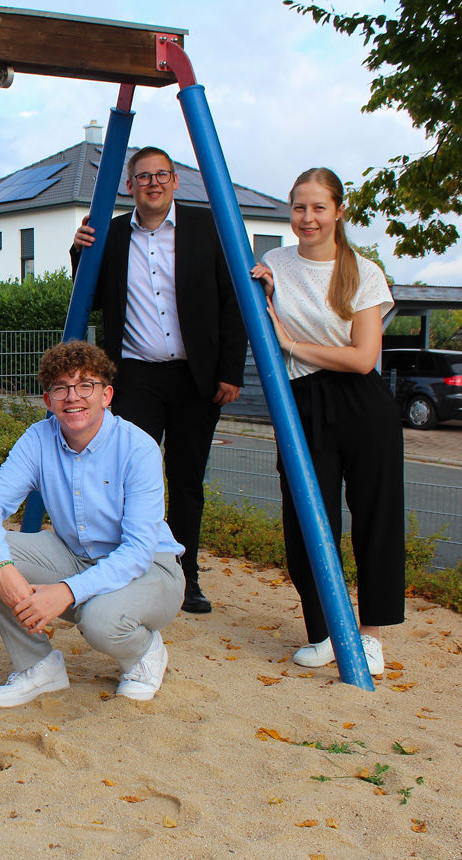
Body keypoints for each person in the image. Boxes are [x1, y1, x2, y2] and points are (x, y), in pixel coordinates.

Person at [71, 146, 246, 614]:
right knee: (130, 480)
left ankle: (186, 579)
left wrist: (230, 370)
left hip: (195, 377)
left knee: (187, 480)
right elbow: (87, 300)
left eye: (161, 175)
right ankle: (130, 571)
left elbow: (233, 303)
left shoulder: (207, 229)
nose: (152, 183)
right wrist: (79, 252)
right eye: (143, 176)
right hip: (136, 377)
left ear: (174, 181)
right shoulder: (109, 235)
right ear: (129, 185)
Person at [0, 340, 184, 705]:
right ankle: (39, 666)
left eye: (86, 385)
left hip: (151, 569)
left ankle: (144, 652)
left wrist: (66, 591)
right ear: (48, 401)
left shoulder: (138, 448)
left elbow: (137, 553)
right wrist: (2, 568)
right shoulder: (38, 439)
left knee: (100, 620)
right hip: (76, 554)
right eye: (60, 388)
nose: (73, 397)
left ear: (106, 394)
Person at [250, 167, 402, 675]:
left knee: (375, 515)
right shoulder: (274, 262)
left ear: (339, 211)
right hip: (302, 401)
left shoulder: (363, 271)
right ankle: (325, 631)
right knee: (307, 519)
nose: (307, 217)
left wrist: (291, 343)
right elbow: (258, 321)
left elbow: (362, 358)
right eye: (299, 207)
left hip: (362, 402)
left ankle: (372, 634)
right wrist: (265, 294)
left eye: (318, 207)